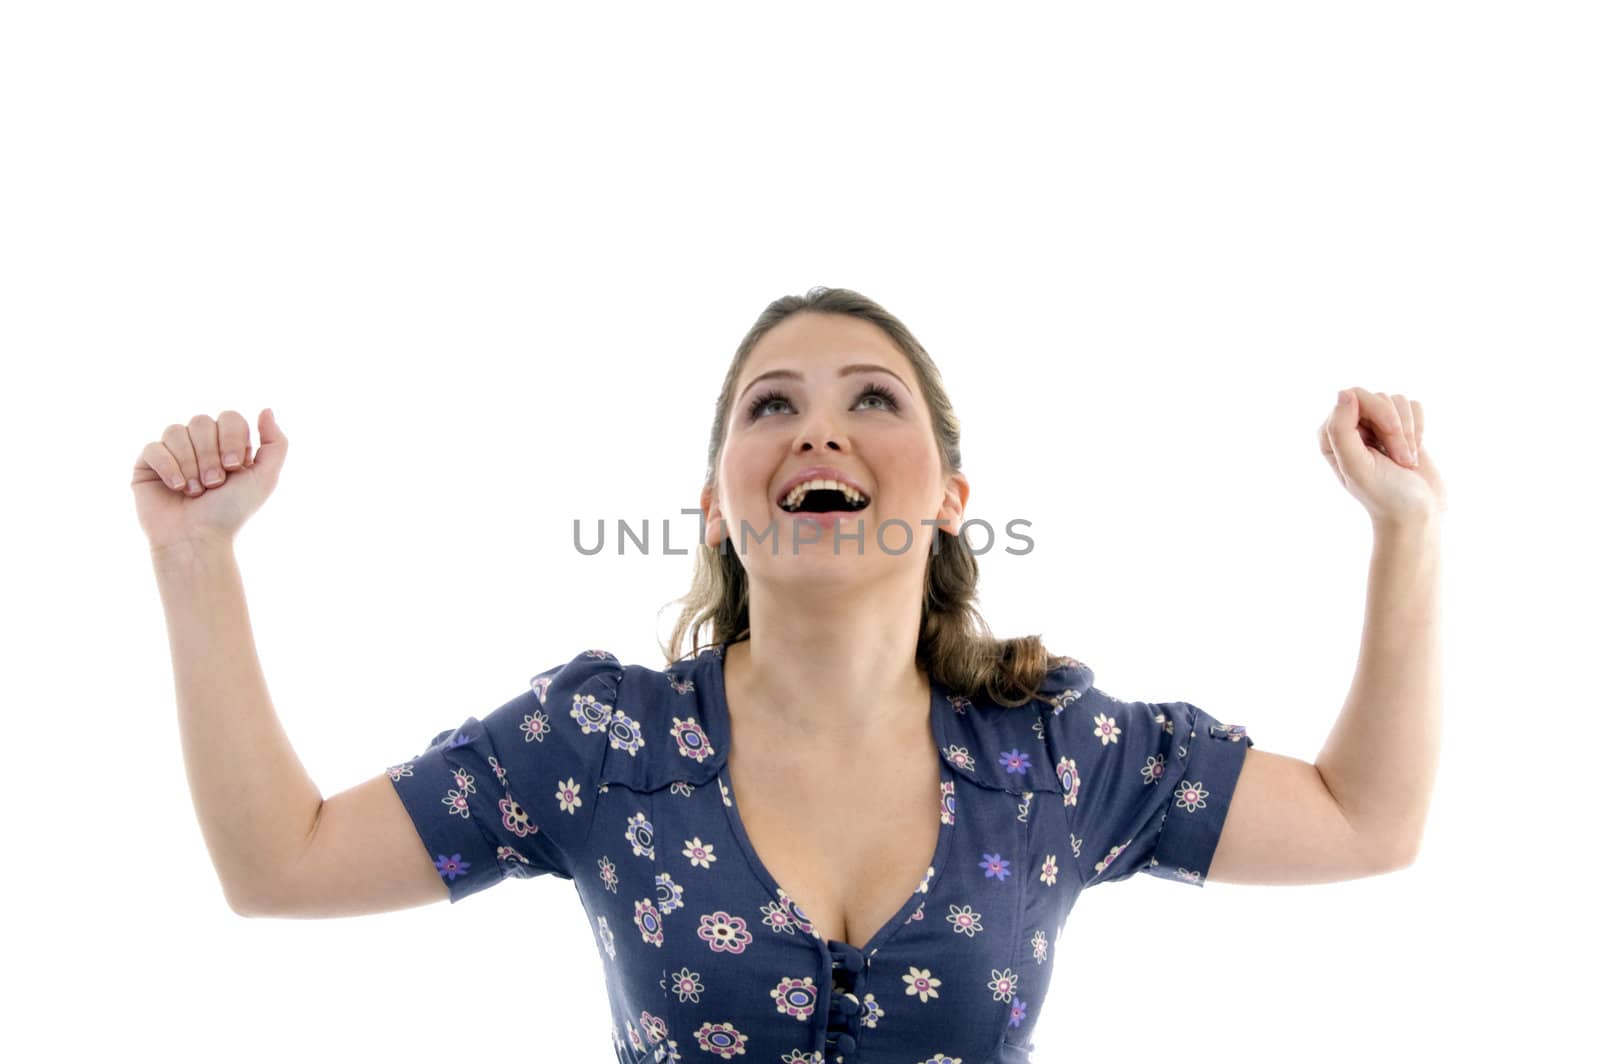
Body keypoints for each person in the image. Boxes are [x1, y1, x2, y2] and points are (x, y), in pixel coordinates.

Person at [135, 286, 1445, 1064]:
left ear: (949, 498)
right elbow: (281, 865)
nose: (819, 423)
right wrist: (196, 559)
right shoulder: (600, 740)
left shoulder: (1056, 753)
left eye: (873, 399)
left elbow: (1363, 823)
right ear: (714, 507)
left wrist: (1408, 528)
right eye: (773, 405)